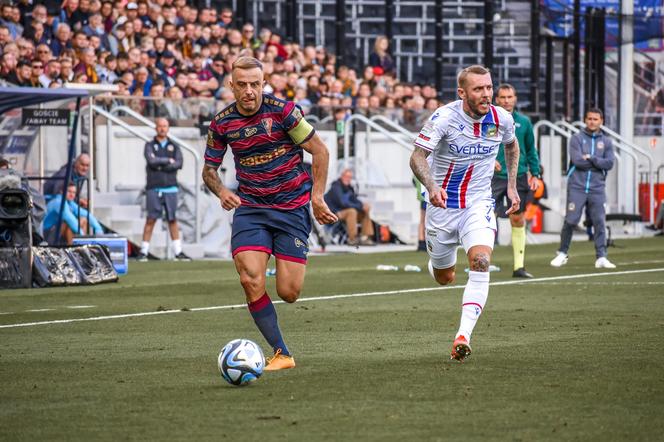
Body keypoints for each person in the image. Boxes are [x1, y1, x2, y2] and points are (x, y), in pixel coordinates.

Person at [202, 56, 337, 371]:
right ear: (231, 86)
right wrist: (222, 191)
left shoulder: (285, 112)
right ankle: (282, 353)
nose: (249, 91)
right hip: (251, 207)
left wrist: (317, 197)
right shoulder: (222, 123)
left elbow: (320, 150)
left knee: (289, 293)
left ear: (263, 83)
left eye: (255, 84)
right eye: (243, 85)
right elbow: (209, 170)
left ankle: (284, 256)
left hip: (292, 207)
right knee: (250, 279)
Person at [409, 65, 520, 362]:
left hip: (479, 201)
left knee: (481, 261)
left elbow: (511, 145)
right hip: (443, 205)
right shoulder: (444, 118)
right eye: (478, 89)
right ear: (462, 93)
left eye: (488, 87)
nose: (486, 94)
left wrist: (511, 186)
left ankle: (463, 335)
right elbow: (417, 156)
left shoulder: (501, 118)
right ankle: (436, 264)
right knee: (444, 277)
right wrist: (431, 186)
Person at [550, 108, 616, 269]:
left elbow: (610, 163)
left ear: (602, 121)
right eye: (590, 119)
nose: (592, 121)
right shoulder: (576, 138)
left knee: (599, 221)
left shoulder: (607, 142)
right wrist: (597, 162)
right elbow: (578, 161)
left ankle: (601, 257)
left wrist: (592, 158)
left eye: (596, 119)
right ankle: (562, 253)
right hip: (577, 186)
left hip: (597, 188)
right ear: (585, 120)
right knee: (571, 220)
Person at [492, 83, 541, 278]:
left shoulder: (525, 122)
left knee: (518, 218)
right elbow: (482, 143)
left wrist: (535, 173)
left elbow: (531, 149)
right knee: (486, 218)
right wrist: (489, 160)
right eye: (502, 97)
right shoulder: (490, 120)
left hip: (518, 175)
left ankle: (518, 266)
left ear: (515, 99)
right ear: (497, 99)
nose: (506, 101)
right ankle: (481, 263)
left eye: (509, 97)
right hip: (493, 177)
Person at [137, 117, 190, 261]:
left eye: (165, 126)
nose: (162, 128)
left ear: (168, 128)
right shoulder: (149, 145)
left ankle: (178, 252)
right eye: (160, 126)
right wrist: (167, 161)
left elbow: (179, 164)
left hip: (171, 188)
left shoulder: (175, 146)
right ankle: (144, 251)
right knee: (151, 219)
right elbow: (151, 161)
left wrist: (160, 164)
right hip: (154, 187)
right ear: (156, 128)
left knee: (172, 220)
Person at [324, 168, 375, 246]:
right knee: (352, 211)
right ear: (342, 176)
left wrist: (363, 205)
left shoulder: (349, 188)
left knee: (364, 211)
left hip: (346, 213)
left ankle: (365, 238)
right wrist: (360, 206)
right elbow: (343, 203)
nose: (348, 179)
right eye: (346, 176)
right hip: (335, 213)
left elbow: (355, 200)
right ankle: (352, 239)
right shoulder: (336, 186)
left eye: (350, 177)